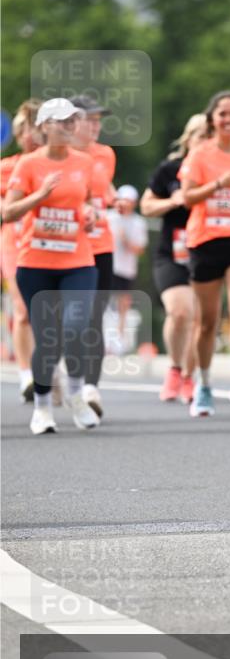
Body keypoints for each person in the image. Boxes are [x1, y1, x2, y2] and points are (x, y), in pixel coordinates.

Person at [3, 98, 100, 434]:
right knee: (47, 338)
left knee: (75, 327)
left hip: (78, 260)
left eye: (73, 120)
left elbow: (88, 201)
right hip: (35, 262)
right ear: (44, 126)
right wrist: (40, 195)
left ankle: (75, 394)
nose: (69, 126)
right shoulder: (28, 165)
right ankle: (43, 406)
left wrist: (90, 215)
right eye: (61, 121)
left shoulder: (85, 162)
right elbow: (8, 213)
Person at [180, 92, 230, 418]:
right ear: (212, 119)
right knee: (207, 321)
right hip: (206, 241)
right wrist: (217, 185)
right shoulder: (200, 155)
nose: (227, 119)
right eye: (221, 114)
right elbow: (186, 197)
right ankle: (204, 384)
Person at [140, 114, 209, 403]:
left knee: (198, 318)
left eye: (211, 136)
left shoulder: (222, 173)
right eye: (201, 136)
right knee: (180, 312)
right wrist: (173, 201)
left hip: (207, 253)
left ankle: (190, 377)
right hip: (173, 253)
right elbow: (146, 206)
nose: (205, 142)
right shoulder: (170, 170)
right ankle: (174, 368)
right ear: (188, 139)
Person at [70, 95, 115, 417]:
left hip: (100, 245)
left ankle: (91, 387)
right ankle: (65, 377)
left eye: (100, 120)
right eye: (91, 119)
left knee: (94, 318)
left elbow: (104, 191)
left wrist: (116, 201)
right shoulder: (59, 156)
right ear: (73, 122)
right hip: (65, 249)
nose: (97, 126)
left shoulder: (106, 154)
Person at [1, 99, 43, 401]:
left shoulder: (57, 164)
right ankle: (27, 374)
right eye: (25, 129)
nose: (30, 135)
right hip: (15, 242)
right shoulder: (7, 168)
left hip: (49, 244)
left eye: (36, 127)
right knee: (24, 308)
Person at [107, 184, 148, 353]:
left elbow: (140, 249)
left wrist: (126, 241)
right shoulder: (108, 217)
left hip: (126, 269)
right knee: (103, 302)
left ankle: (119, 339)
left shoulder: (138, 222)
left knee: (123, 304)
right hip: (108, 265)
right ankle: (102, 339)